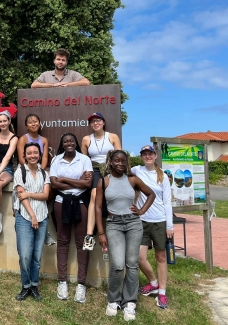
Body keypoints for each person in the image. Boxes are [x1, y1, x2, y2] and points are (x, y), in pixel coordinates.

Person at [95, 150, 155, 321]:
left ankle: (130, 302)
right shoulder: (104, 182)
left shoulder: (132, 179)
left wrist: (141, 210)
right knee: (118, 264)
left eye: (123, 161)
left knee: (132, 263)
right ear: (111, 162)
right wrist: (101, 232)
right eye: (117, 161)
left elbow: (151, 194)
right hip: (113, 224)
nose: (120, 164)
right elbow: (98, 208)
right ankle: (113, 299)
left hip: (133, 224)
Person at [50, 133, 93, 303]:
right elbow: (54, 184)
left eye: (72, 141)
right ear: (62, 144)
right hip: (61, 202)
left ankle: (81, 284)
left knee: (82, 242)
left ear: (76, 143)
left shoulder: (84, 159)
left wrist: (65, 179)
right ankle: (62, 282)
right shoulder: (56, 160)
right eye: (66, 141)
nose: (69, 143)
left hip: (81, 202)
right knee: (63, 240)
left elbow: (87, 184)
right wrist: (78, 181)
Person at [133, 145, 174, 310]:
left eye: (150, 154)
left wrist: (169, 226)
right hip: (142, 220)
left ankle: (162, 293)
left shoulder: (162, 176)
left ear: (155, 155)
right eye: (145, 154)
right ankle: (154, 282)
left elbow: (167, 202)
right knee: (139, 257)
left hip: (159, 220)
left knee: (161, 258)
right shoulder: (136, 170)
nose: (148, 156)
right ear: (141, 156)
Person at [13, 142, 51, 301]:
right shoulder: (19, 172)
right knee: (25, 255)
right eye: (29, 153)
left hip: (42, 216)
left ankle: (34, 285)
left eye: (36, 153)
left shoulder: (44, 174)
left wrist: (29, 194)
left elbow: (45, 195)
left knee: (36, 255)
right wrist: (32, 216)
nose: (33, 156)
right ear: (25, 155)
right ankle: (25, 286)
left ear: (40, 154)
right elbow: (21, 197)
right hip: (24, 217)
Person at [81, 112, 122, 250]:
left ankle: (114, 230)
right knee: (94, 195)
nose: (95, 123)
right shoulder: (87, 139)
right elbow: (83, 160)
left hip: (111, 170)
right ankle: (89, 235)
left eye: (98, 120)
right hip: (95, 170)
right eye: (92, 121)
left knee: (112, 197)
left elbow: (120, 157)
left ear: (103, 122)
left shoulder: (112, 137)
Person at [16, 113, 55, 246]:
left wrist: (41, 171)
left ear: (39, 123)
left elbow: (44, 158)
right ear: (26, 125)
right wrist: (31, 168)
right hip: (26, 170)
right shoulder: (23, 139)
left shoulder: (43, 140)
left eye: (36, 121)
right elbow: (22, 158)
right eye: (30, 122)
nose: (33, 124)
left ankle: (44, 228)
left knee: (50, 185)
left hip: (39, 170)